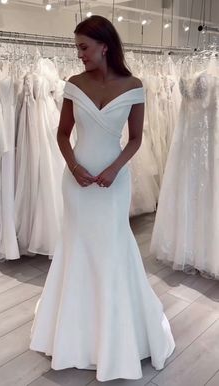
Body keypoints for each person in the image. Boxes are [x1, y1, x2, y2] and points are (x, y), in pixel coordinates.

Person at [30, 15, 175, 382]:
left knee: (111, 249)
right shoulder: (72, 85)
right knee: (77, 248)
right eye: (77, 47)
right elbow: (63, 134)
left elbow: (136, 139)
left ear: (105, 45)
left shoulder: (134, 85)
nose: (78, 54)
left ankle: (116, 335)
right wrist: (75, 167)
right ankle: (74, 335)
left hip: (114, 181)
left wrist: (114, 169)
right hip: (76, 182)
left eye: (83, 47)